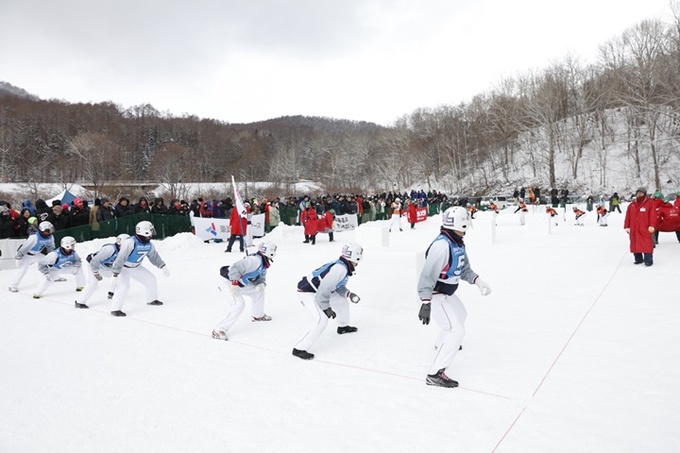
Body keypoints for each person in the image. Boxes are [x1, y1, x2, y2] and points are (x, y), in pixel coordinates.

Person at [416, 207, 491, 388]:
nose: (466, 231)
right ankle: (435, 373)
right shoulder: (442, 246)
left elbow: (463, 269)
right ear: (459, 224)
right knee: (456, 329)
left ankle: (442, 344)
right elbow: (426, 277)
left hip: (446, 293)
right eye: (465, 226)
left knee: (461, 314)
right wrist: (425, 302)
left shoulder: (457, 243)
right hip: (435, 294)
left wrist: (478, 281)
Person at [292, 243, 363, 360]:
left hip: (318, 291)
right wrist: (326, 308)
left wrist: (348, 294)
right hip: (308, 293)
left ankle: (343, 326)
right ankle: (299, 348)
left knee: (341, 301)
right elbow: (324, 289)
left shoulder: (344, 266)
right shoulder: (340, 268)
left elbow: (337, 287)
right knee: (321, 319)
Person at [212, 240, 277, 341]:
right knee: (239, 304)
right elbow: (235, 267)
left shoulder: (264, 262)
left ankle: (257, 315)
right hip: (227, 281)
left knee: (258, 291)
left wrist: (261, 283)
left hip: (239, 283)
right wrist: (234, 282)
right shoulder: (254, 260)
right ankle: (219, 330)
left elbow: (261, 275)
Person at [110, 221, 169, 317]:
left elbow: (154, 256)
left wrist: (162, 266)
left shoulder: (149, 244)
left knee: (151, 279)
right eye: (150, 230)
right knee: (124, 287)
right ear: (145, 231)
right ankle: (115, 309)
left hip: (136, 267)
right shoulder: (130, 242)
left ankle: (152, 299)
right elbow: (120, 258)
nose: (152, 232)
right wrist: (115, 273)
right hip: (124, 268)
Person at [74, 234, 130, 309]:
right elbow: (94, 261)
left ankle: (111, 293)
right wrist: (95, 272)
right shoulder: (110, 249)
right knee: (93, 284)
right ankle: (80, 302)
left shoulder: (124, 252)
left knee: (120, 277)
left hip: (104, 267)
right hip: (91, 265)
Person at [9, 221, 56, 292]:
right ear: (42, 231)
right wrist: (19, 258)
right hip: (27, 255)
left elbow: (51, 247)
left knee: (49, 261)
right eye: (48, 231)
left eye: (51, 230)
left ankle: (56, 276)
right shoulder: (34, 237)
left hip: (37, 254)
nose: (50, 232)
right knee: (22, 269)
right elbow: (24, 247)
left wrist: (51, 256)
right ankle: (13, 285)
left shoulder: (50, 237)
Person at [624, 188, 657, 266]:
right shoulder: (632, 205)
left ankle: (648, 260)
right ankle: (638, 259)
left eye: (641, 193)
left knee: (647, 244)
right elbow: (628, 216)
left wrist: (652, 225)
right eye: (638, 193)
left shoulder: (650, 203)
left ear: (644, 194)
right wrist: (627, 226)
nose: (639, 194)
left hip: (645, 228)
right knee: (635, 243)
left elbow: (653, 215)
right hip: (634, 228)